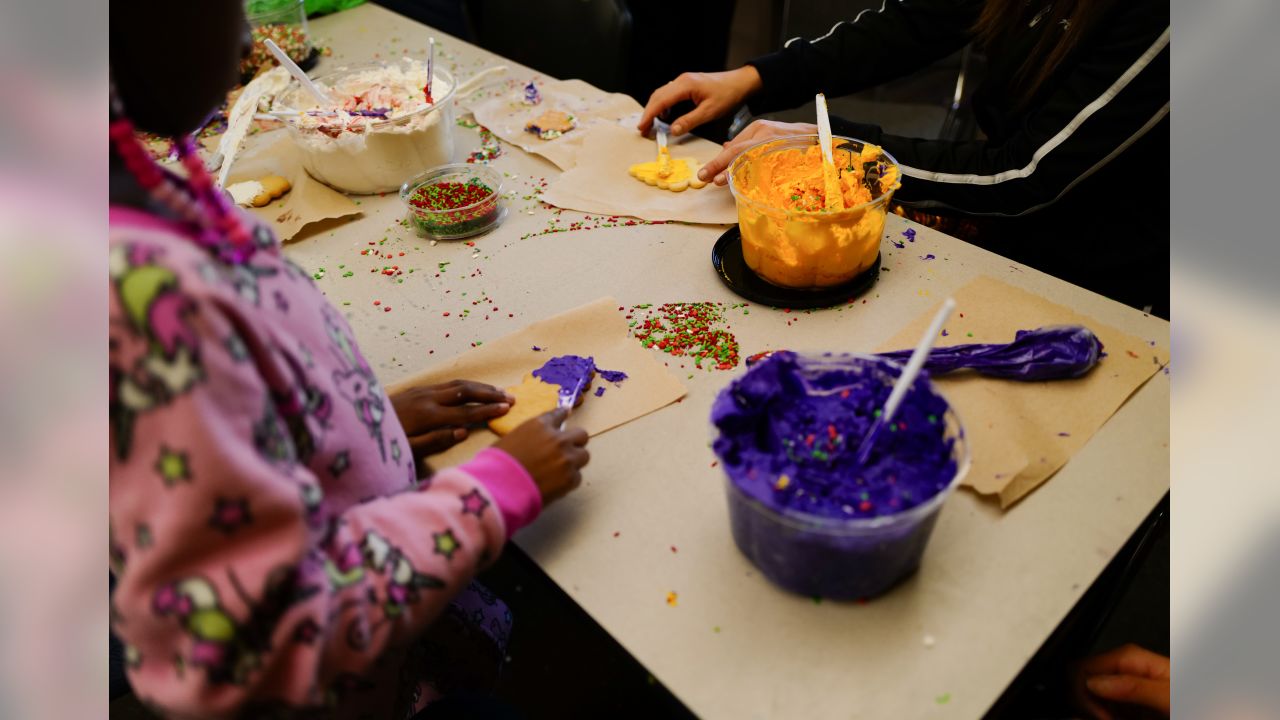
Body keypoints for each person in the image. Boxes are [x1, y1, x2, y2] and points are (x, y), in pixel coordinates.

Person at [108, 1, 589, 716]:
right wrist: (491, 491)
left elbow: (221, 426)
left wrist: (346, 428)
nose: (247, 38)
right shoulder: (139, 297)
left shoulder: (134, 194)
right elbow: (253, 643)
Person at [639, 0, 1169, 316]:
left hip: (1100, 274)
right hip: (1005, 222)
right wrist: (756, 77)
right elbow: (917, 22)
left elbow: (1025, 175)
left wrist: (840, 149)